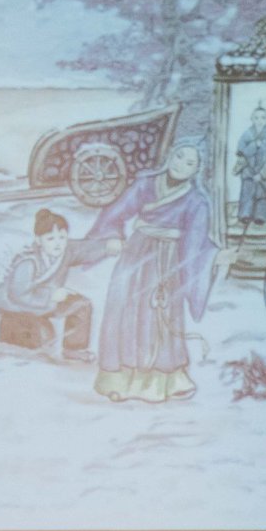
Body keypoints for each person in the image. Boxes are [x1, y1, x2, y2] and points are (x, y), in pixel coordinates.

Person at [86, 138, 219, 403]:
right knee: (120, 307)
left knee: (157, 317)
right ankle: (117, 380)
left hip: (167, 262)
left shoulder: (197, 201)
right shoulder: (146, 184)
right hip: (135, 253)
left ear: (197, 170)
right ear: (170, 155)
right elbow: (117, 211)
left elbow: (196, 243)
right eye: (179, 156)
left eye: (190, 163)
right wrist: (112, 235)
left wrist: (213, 256)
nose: (181, 165)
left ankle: (161, 382)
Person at [0, 208, 114, 362]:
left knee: (81, 305)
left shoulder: (66, 251)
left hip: (47, 302)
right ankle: (2, 328)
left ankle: (74, 349)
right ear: (39, 240)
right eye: (50, 238)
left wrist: (108, 246)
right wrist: (50, 296)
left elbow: (84, 249)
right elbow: (18, 295)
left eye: (62, 237)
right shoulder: (28, 262)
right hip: (18, 308)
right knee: (44, 337)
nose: (58, 243)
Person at [235, 105, 266, 224]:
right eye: (257, 118)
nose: (260, 121)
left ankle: (261, 216)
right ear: (252, 119)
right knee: (247, 193)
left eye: (263, 118)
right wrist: (254, 145)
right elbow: (240, 151)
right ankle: (245, 215)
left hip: (264, 170)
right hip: (249, 170)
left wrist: (263, 146)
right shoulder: (247, 133)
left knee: (263, 193)